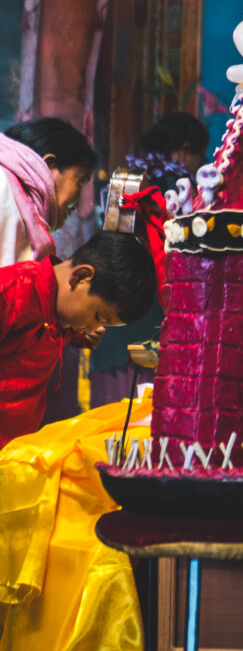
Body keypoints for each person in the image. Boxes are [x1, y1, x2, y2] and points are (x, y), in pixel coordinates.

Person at [0, 229, 157, 448]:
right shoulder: (11, 292)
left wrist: (78, 335)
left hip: (15, 452)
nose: (95, 327)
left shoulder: (60, 313)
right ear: (81, 276)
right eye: (98, 317)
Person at [0, 117, 97, 265]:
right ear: (49, 165)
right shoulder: (4, 189)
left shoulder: (20, 208)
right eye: (79, 182)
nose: (77, 205)